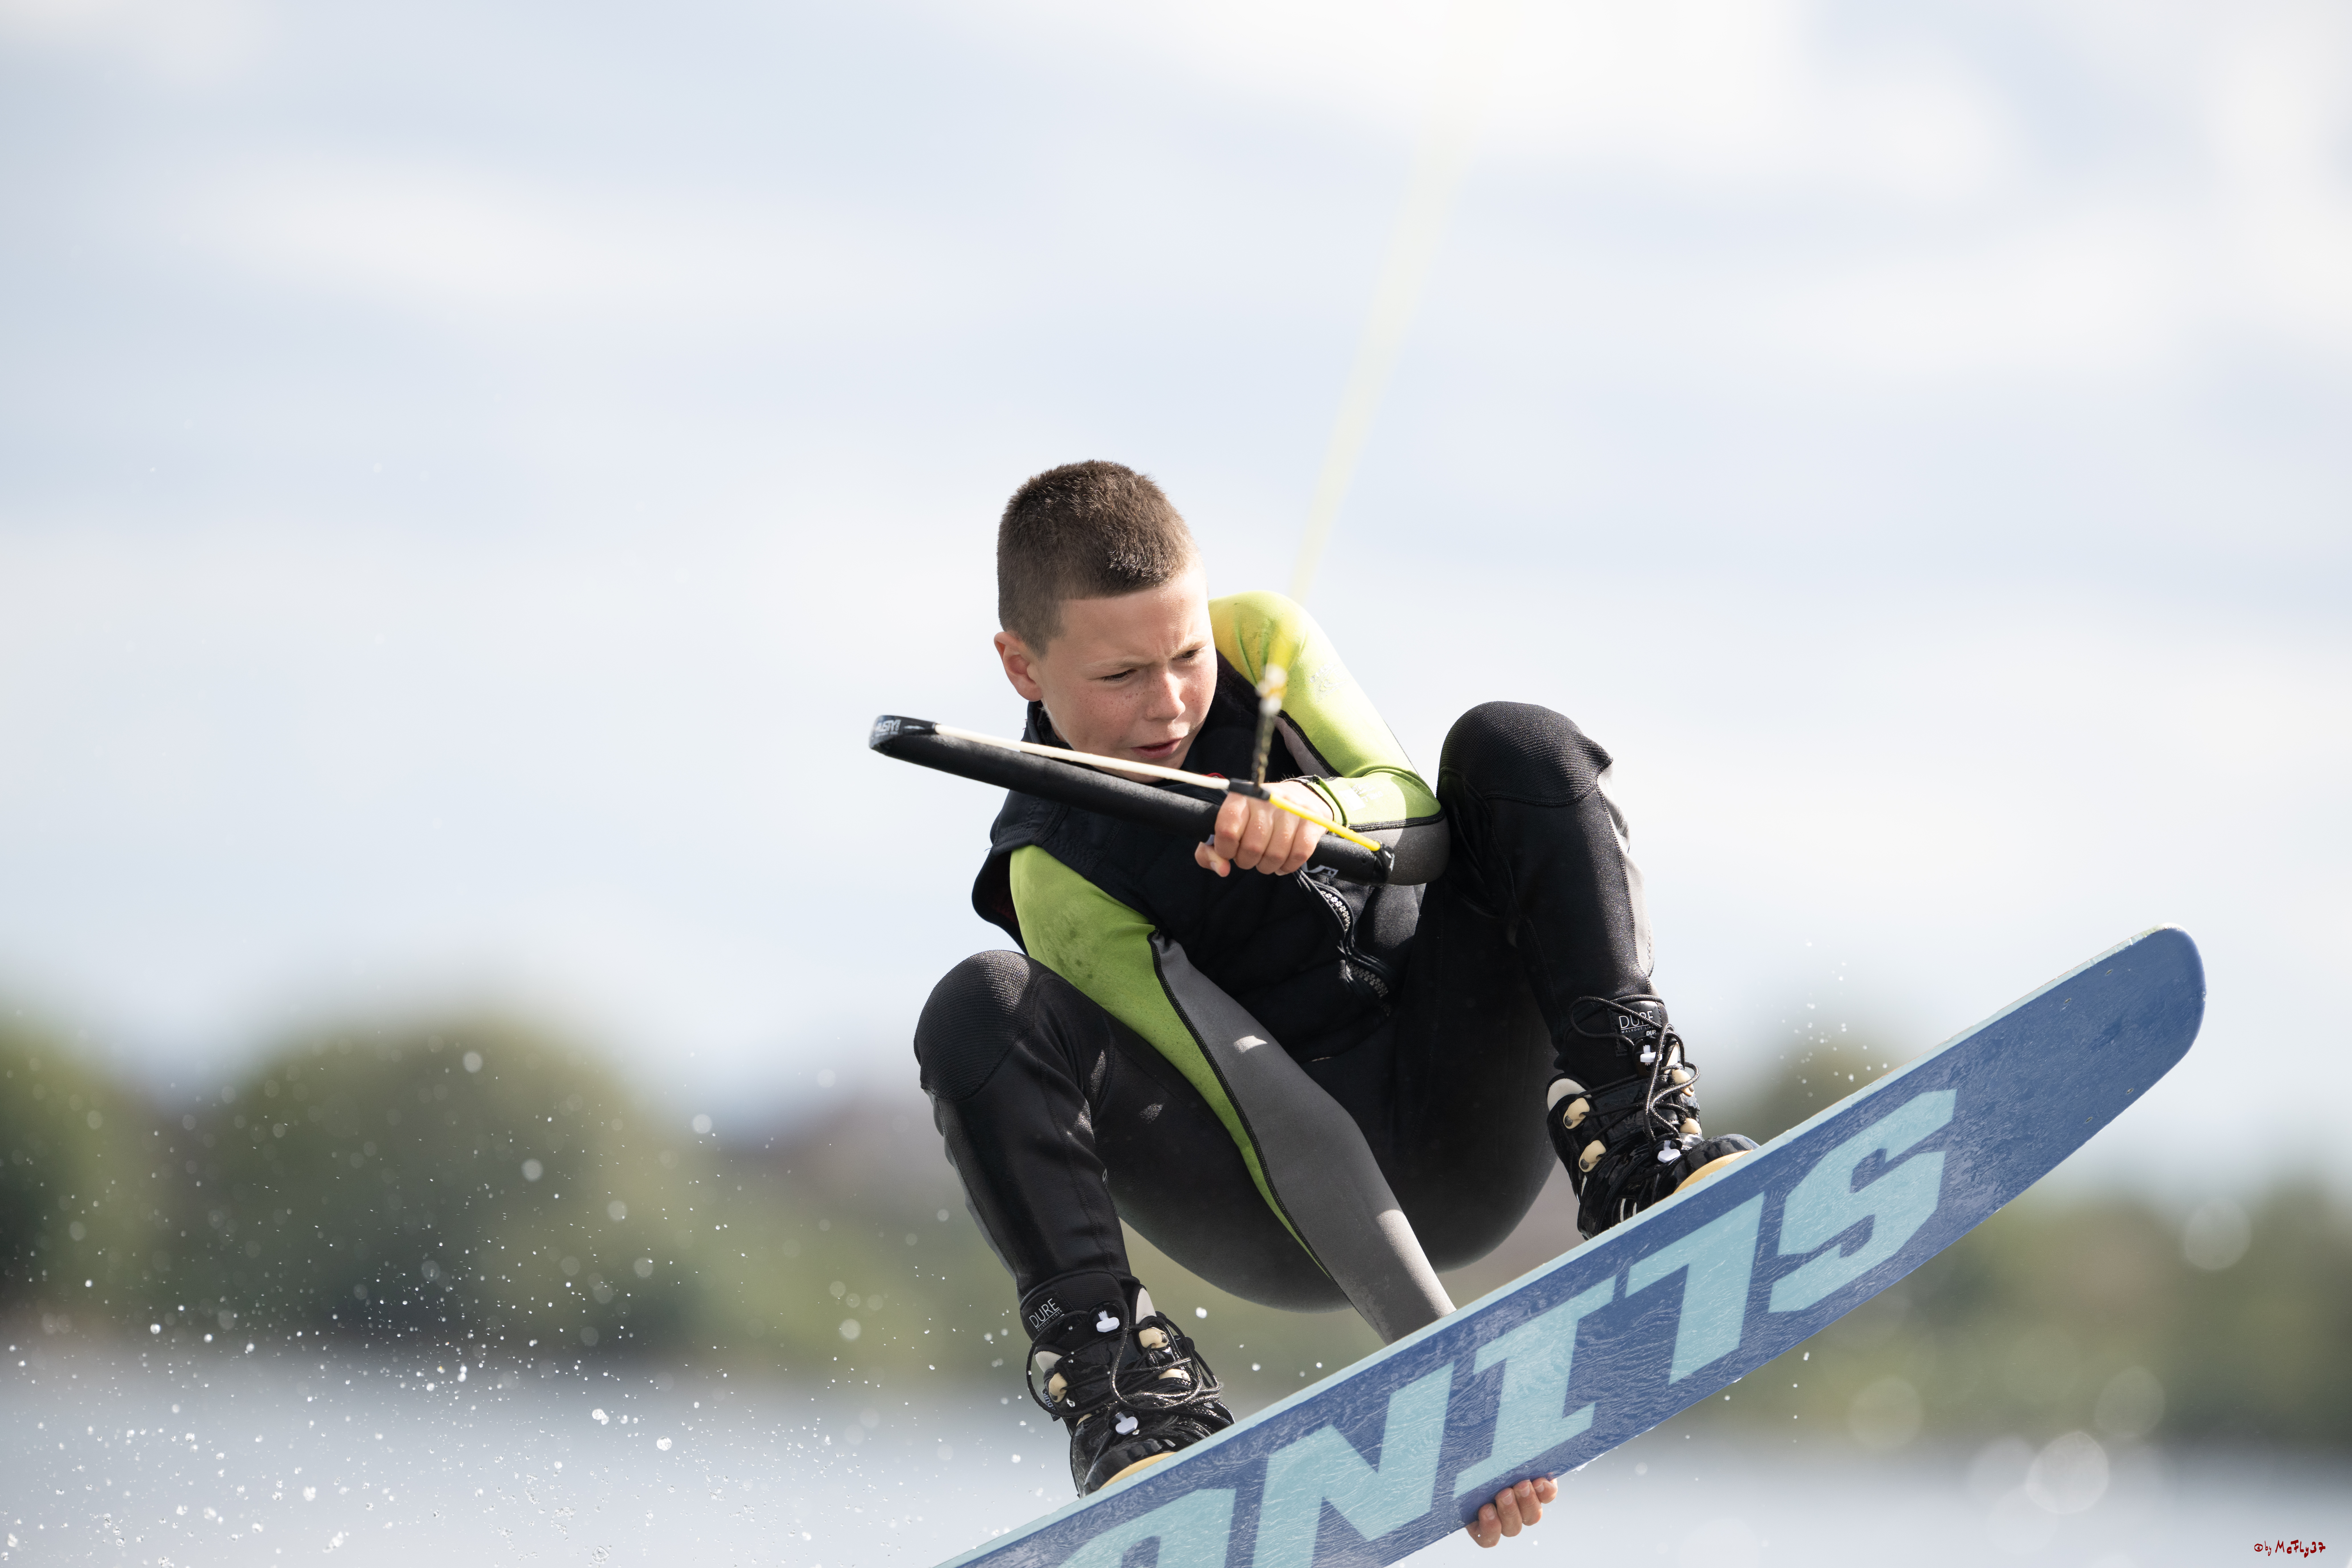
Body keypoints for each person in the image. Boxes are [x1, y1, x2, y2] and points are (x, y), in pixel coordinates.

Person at [911, 461, 1755, 1546]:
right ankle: (1128, 1398)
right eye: (1122, 676)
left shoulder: (1261, 641)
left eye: (1184, 655)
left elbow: (1424, 820)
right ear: (1021, 666)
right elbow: (1279, 1115)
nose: (1170, 703)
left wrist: (1314, 811)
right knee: (983, 1002)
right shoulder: (1053, 870)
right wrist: (1451, 1384)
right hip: (1284, 1209)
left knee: (1517, 744)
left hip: (1460, 1108)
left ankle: (1645, 1148)